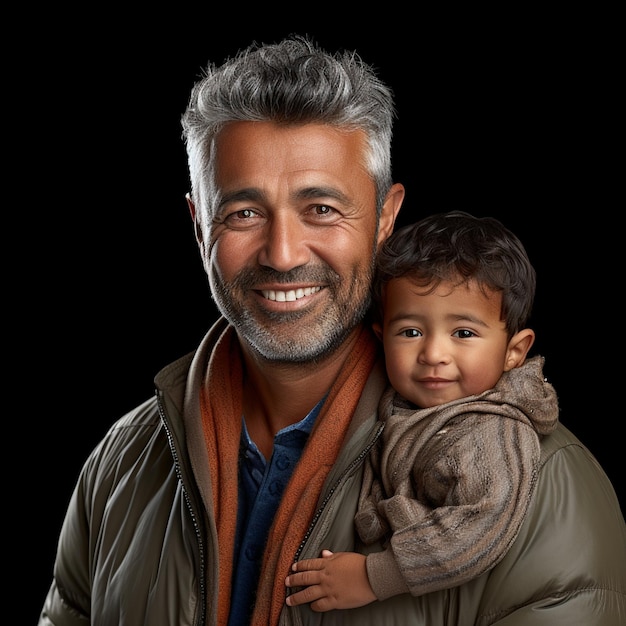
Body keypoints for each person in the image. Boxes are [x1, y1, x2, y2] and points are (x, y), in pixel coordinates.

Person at [38, 35, 626, 626]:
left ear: (385, 219)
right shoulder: (121, 462)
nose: (284, 254)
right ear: (198, 227)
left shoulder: (541, 488)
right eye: (243, 213)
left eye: (321, 208)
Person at [285, 210, 559, 609]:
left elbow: (481, 527)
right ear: (381, 338)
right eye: (410, 332)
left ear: (514, 352)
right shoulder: (393, 401)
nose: (433, 354)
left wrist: (373, 576)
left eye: (463, 333)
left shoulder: (494, 431)